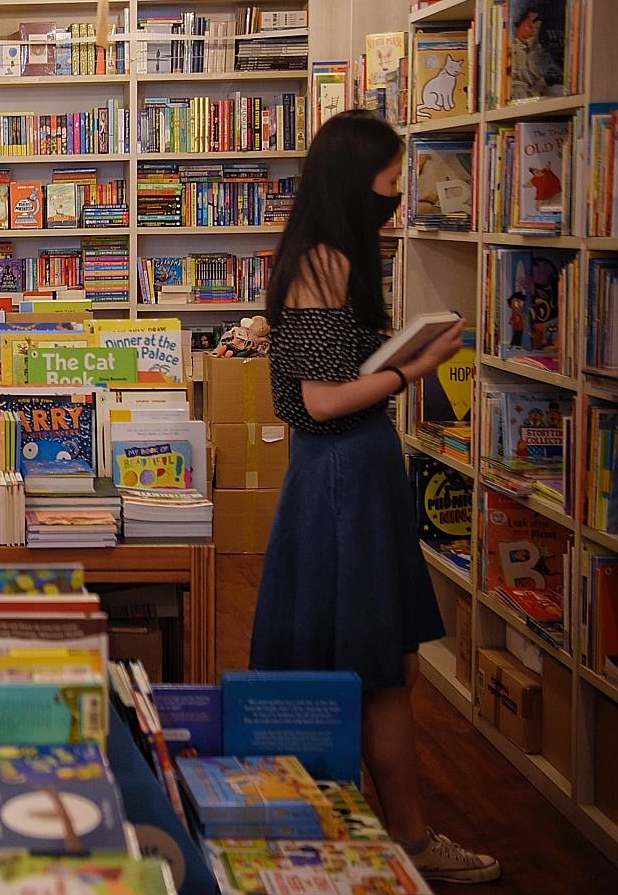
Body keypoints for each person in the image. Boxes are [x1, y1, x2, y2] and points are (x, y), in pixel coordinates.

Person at [250, 110, 499, 885]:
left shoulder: (324, 256)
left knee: (367, 661)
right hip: (340, 476)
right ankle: (405, 839)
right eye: (392, 185)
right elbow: (324, 400)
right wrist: (416, 366)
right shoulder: (324, 264)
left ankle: (360, 826)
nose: (397, 199)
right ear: (360, 186)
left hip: (349, 471)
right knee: (375, 667)